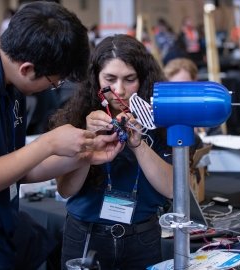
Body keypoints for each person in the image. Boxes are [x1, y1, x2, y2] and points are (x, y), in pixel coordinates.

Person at [0, 2, 123, 269]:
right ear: (27, 68)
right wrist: (49, 143)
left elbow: (18, 168)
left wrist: (84, 156)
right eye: (54, 83)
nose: (53, 89)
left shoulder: (10, 79)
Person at [49, 34, 173, 270]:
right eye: (110, 79)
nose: (120, 90)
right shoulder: (75, 122)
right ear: (95, 80)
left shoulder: (161, 122)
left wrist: (138, 145)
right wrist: (87, 142)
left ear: (143, 79)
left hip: (142, 238)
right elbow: (66, 190)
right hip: (85, 236)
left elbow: (171, 189)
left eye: (129, 79)